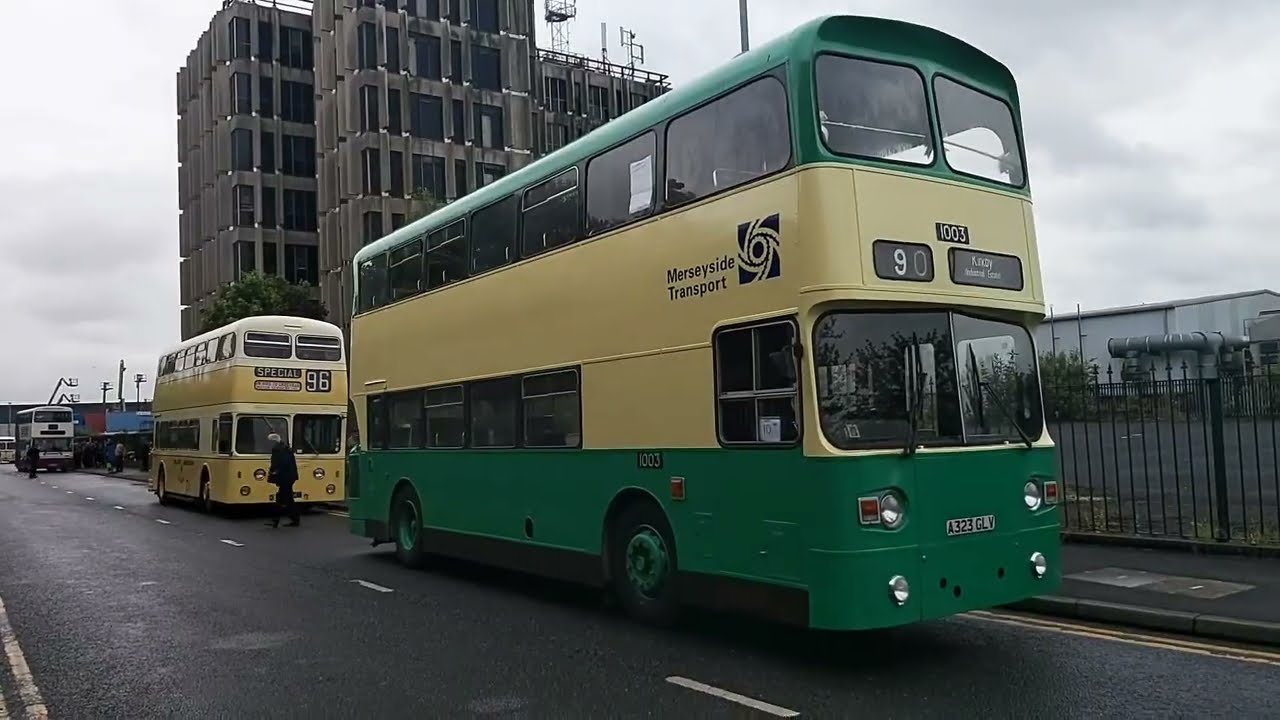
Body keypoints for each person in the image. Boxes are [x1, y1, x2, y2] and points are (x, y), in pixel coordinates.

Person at [266, 432, 300, 528]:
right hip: (289, 477)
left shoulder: (277, 449)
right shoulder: (285, 448)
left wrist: (272, 474)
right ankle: (292, 519)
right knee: (286, 499)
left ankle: (276, 521)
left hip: (285, 478)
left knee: (283, 499)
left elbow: (277, 464)